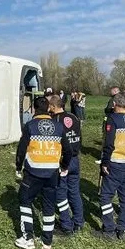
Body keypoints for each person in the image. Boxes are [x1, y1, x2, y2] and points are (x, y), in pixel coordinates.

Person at [14, 97, 72, 249]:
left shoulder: (30, 126)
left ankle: (28, 238)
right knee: (48, 206)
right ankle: (47, 243)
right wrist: (64, 166)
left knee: (25, 200)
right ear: (48, 108)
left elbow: (21, 149)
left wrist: (18, 166)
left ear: (33, 109)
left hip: (33, 171)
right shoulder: (59, 127)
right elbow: (68, 150)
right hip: (52, 172)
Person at [94, 92, 125, 241]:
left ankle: (108, 230)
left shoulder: (112, 119)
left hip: (115, 162)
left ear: (115, 105)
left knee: (105, 197)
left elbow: (109, 143)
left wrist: (105, 162)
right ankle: (123, 229)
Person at [48, 95, 84, 236]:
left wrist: (62, 164)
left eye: (50, 106)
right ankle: (79, 221)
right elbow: (80, 137)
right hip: (75, 159)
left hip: (63, 160)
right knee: (74, 191)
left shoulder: (54, 121)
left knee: (60, 192)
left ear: (53, 106)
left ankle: (66, 225)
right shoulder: (74, 117)